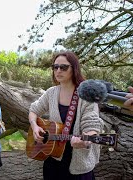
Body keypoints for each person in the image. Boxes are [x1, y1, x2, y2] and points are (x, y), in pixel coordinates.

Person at [28, 51, 103, 179]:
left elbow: (92, 124)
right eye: (55, 67)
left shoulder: (86, 96)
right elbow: (33, 110)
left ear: (74, 69)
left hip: (78, 166)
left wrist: (85, 141)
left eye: (63, 67)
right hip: (53, 161)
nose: (58, 70)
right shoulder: (51, 93)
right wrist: (34, 126)